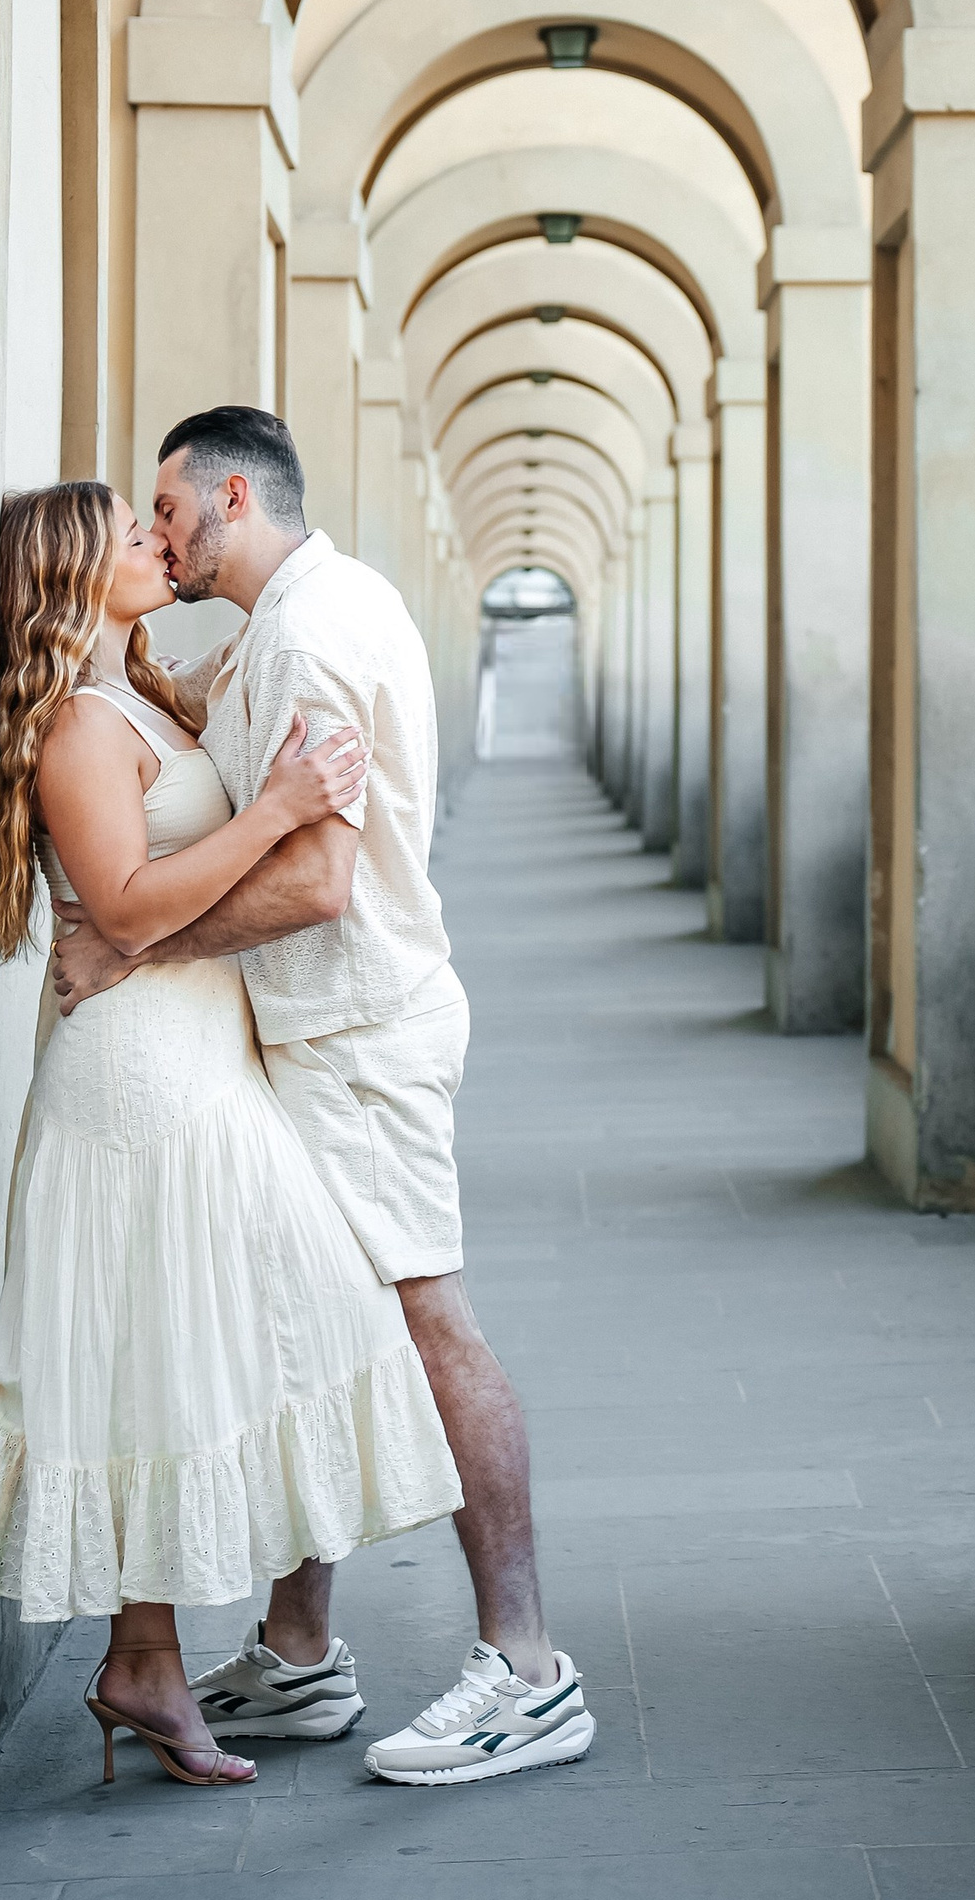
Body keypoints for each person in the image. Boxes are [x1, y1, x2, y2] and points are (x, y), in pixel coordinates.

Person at [50, 403, 594, 1786]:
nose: (157, 531)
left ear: (233, 496)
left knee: (425, 1316)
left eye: (169, 507)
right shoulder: (296, 615)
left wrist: (134, 940)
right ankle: (298, 1655)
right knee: (308, 1322)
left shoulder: (303, 630)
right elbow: (227, 764)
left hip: (359, 1032)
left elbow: (317, 876)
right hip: (305, 1033)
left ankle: (527, 1669)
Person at [0, 481, 462, 1789]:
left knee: (187, 1348)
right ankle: (166, 1659)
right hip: (142, 1078)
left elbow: (270, 649)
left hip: (194, 1056)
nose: (155, 541)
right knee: (197, 1343)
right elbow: (121, 909)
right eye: (130, 530)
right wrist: (280, 805)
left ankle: (157, 1659)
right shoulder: (75, 721)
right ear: (72, 572)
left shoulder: (132, 690)